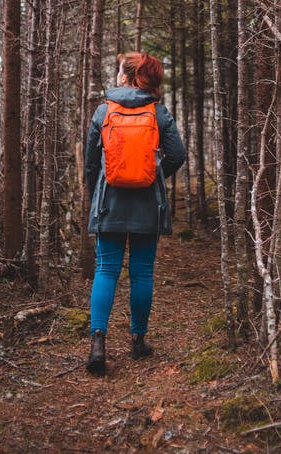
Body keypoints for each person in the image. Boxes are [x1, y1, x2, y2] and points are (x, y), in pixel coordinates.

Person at [84, 51, 186, 376]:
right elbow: (177, 155)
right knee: (141, 273)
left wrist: (98, 190)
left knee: (106, 269)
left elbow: (90, 164)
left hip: (109, 204)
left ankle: (98, 342)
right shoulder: (158, 112)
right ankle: (138, 341)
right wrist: (153, 175)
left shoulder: (104, 111)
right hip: (146, 204)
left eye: (119, 71)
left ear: (127, 77)